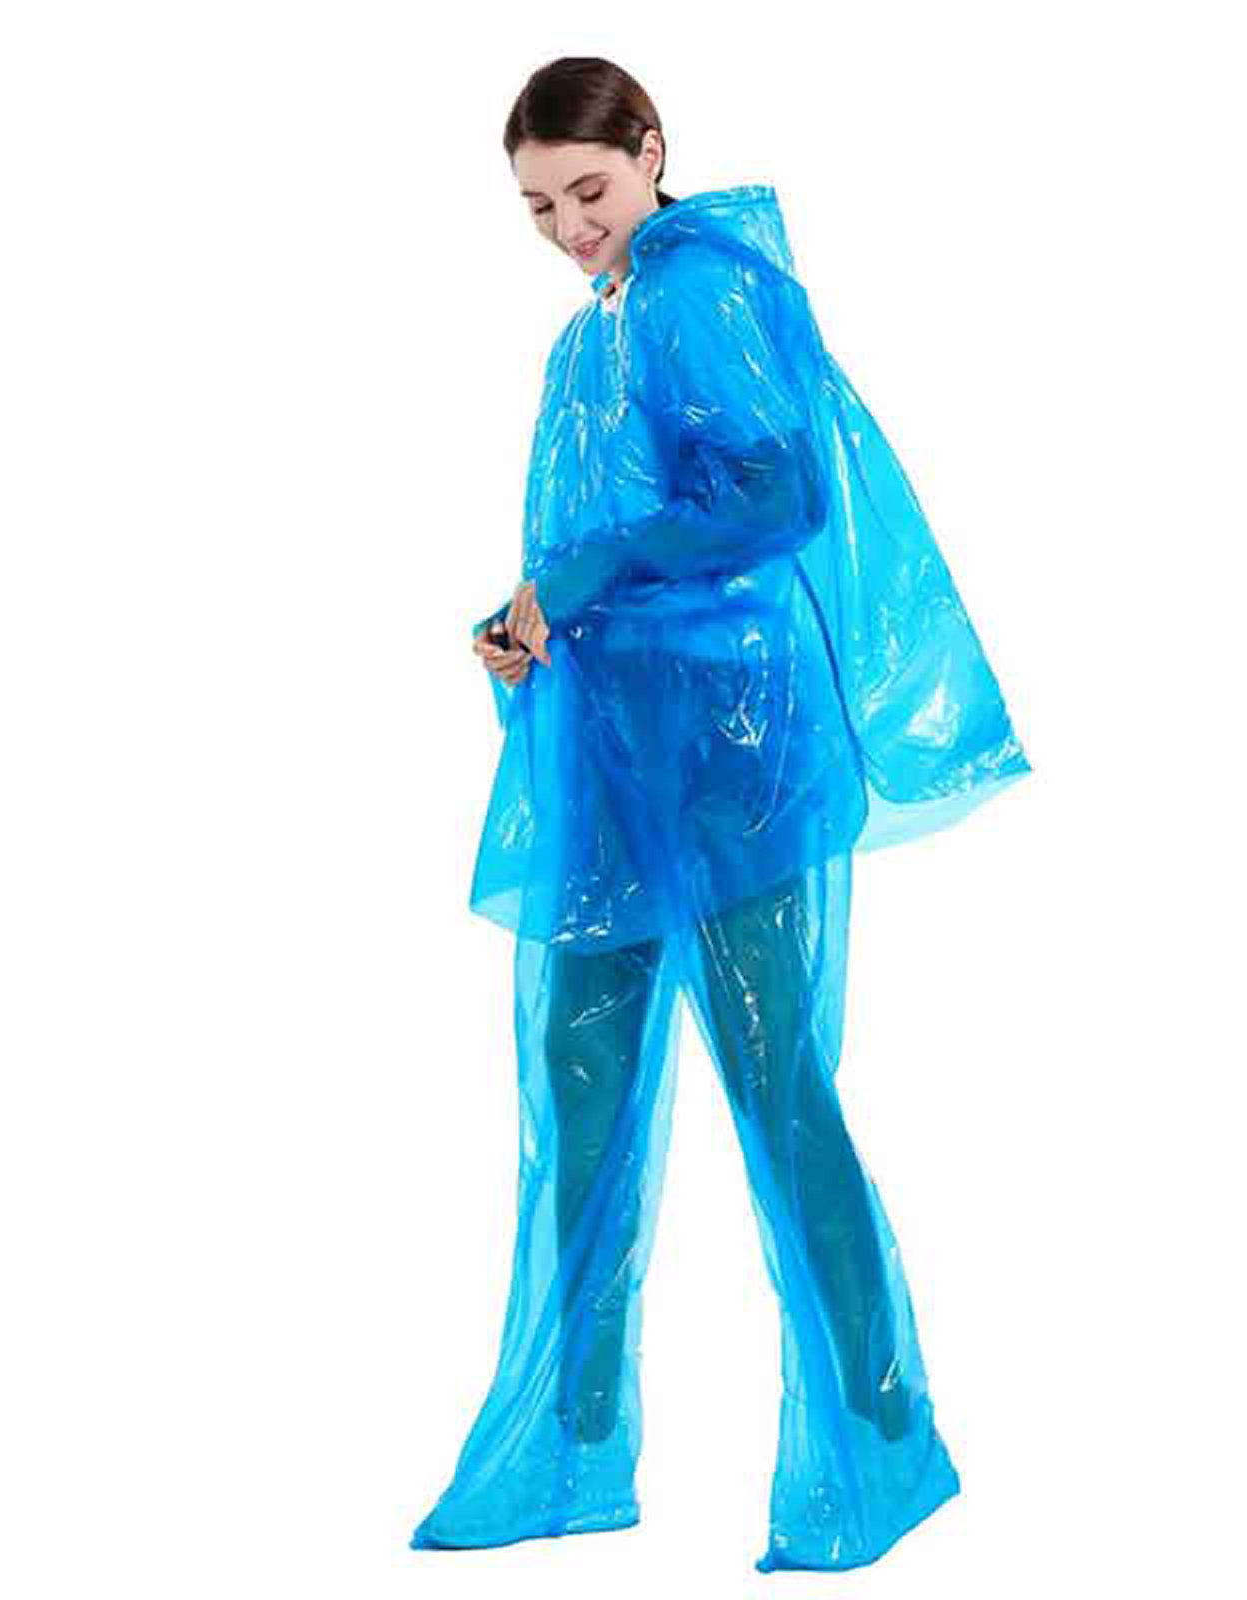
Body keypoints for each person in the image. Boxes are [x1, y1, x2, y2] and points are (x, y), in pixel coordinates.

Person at [410, 56, 1031, 1574]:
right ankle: (573, 1439)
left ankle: (876, 1425)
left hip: (732, 755)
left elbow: (777, 494)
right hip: (617, 750)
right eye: (539, 207)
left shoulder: (697, 288)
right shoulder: (592, 335)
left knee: (774, 1078)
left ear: (652, 151)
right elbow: (610, 538)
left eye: (589, 189)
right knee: (580, 1081)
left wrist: (588, 572)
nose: (570, 226)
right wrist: (531, 620)